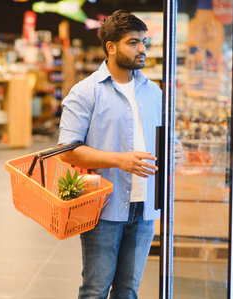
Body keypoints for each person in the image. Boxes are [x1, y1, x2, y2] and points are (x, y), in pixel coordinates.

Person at [58, 10, 179, 299]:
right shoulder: (85, 92)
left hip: (146, 205)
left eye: (144, 42)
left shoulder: (154, 92)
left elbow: (168, 139)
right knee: (95, 289)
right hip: (105, 207)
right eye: (133, 43)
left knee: (128, 290)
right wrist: (119, 159)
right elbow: (67, 151)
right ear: (111, 47)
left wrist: (176, 152)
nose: (142, 50)